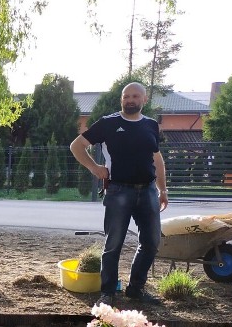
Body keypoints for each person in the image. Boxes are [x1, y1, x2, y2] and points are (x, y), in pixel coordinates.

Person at [70, 82, 168, 306]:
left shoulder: (152, 125)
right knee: (114, 243)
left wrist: (163, 189)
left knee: (152, 242)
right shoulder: (108, 123)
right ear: (122, 100)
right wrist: (95, 168)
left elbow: (157, 159)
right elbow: (76, 146)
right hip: (118, 191)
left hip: (149, 191)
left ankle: (135, 289)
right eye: (126, 96)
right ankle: (108, 292)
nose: (130, 100)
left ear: (144, 100)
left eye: (135, 96)